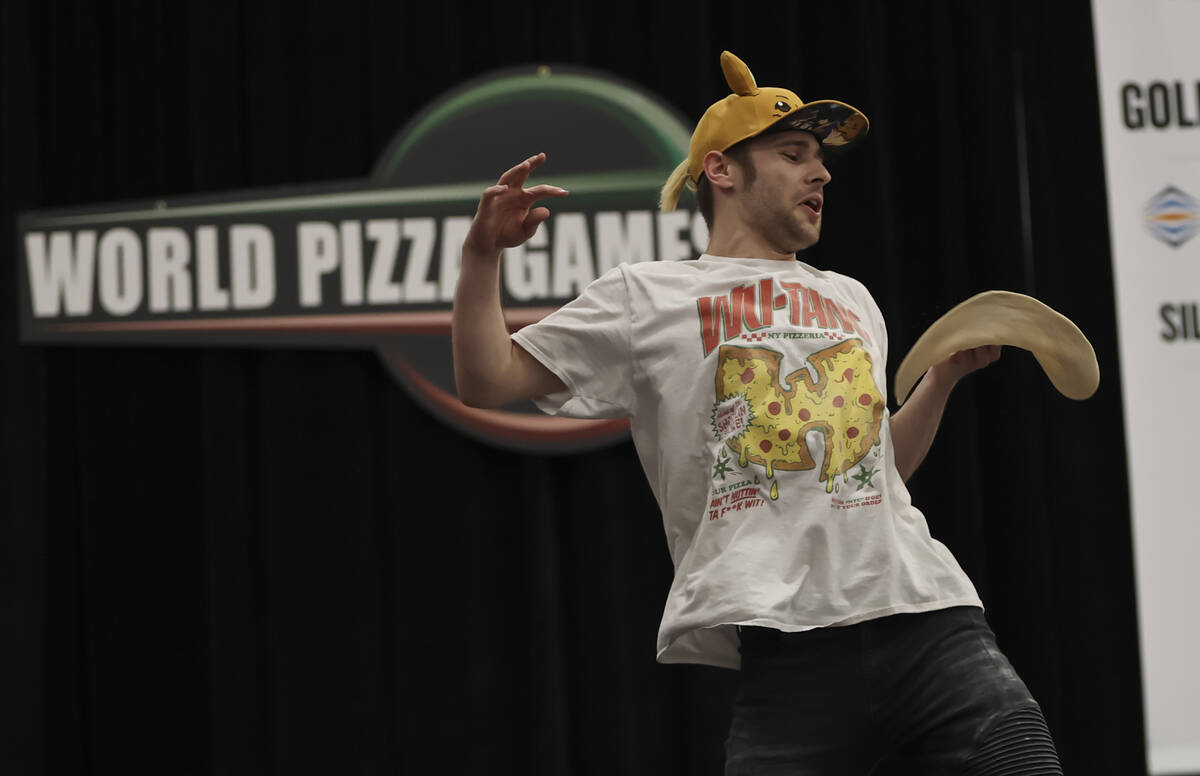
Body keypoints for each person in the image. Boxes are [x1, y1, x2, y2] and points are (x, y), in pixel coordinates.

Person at [452, 51, 1062, 775]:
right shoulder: (646, 295)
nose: (822, 174)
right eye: (794, 154)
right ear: (721, 170)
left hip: (926, 617)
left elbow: (875, 468)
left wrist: (940, 380)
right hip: (788, 655)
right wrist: (481, 257)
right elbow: (488, 380)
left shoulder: (852, 297)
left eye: (822, 159)